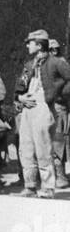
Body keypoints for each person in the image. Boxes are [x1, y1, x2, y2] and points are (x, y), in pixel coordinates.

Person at [14, 29, 70, 200]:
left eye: (30, 43)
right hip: (27, 110)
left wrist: (56, 96)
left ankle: (47, 187)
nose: (27, 46)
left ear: (38, 45)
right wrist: (20, 97)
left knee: (43, 148)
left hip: (44, 108)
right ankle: (30, 186)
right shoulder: (29, 64)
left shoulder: (56, 63)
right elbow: (20, 86)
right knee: (26, 147)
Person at [47, 38, 69, 188]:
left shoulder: (61, 64)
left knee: (57, 141)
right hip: (45, 106)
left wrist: (58, 95)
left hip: (58, 107)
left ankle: (60, 176)